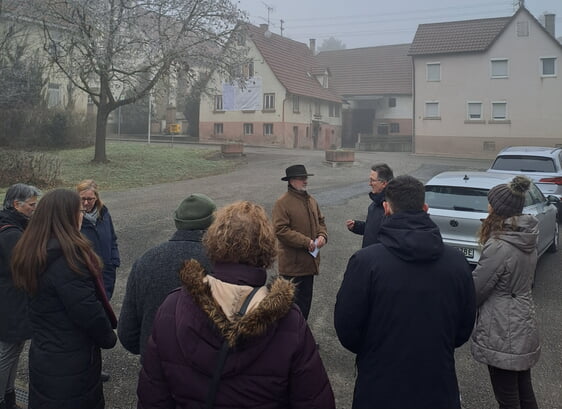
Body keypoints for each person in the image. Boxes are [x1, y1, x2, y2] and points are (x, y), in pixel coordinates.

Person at [137, 201, 335, 409]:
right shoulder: (289, 321)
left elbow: (153, 396)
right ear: (267, 249)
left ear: (213, 242)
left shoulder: (172, 306)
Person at [334, 175, 476, 409]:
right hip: (438, 386)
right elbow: (463, 327)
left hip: (379, 387)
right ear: (425, 208)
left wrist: (375, 350)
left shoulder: (366, 262)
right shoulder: (457, 263)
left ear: (386, 208)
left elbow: (347, 328)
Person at [11, 189, 117, 409]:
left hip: (44, 352)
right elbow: (88, 312)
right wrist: (108, 337)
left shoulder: (34, 251)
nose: (82, 215)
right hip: (70, 363)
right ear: (66, 216)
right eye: (78, 210)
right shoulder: (67, 261)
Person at [118, 193, 216, 361]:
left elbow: (127, 331)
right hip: (206, 368)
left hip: (155, 365)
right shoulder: (220, 263)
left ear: (177, 222)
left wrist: (146, 348)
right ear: (213, 223)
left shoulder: (146, 260)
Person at [471, 176, 540, 409]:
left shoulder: (500, 244)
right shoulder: (525, 237)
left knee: (507, 397)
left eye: (490, 202)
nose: (488, 206)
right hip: (522, 318)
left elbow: (477, 289)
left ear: (498, 209)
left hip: (502, 327)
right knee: (523, 388)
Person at [0, 184, 40, 409]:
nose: (35, 210)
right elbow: (28, 266)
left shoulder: (13, 226)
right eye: (32, 206)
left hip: (11, 301)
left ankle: (8, 396)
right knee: (7, 352)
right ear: (17, 204)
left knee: (13, 351)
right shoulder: (11, 233)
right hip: (10, 303)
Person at [272, 164, 327, 320]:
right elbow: (281, 230)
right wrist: (306, 242)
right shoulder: (282, 203)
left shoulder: (311, 200)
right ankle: (289, 342)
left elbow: (321, 221)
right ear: (291, 181)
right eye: (302, 178)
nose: (305, 181)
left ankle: (302, 339)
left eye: (306, 178)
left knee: (305, 306)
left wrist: (322, 235)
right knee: (289, 309)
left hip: (309, 264)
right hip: (292, 266)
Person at [77, 179, 120, 300]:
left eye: (89, 199)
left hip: (107, 272)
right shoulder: (73, 219)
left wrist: (114, 261)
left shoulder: (104, 214)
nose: (86, 203)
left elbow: (112, 239)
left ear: (96, 198)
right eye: (82, 199)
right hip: (86, 275)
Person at [346, 163, 393, 247]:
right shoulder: (376, 202)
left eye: (373, 180)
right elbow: (372, 229)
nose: (369, 183)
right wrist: (356, 226)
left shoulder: (393, 207)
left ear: (384, 183)